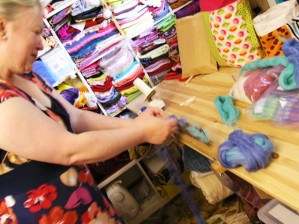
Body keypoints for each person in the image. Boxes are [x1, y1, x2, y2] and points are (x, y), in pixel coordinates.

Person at [0, 0, 178, 223]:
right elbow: (70, 149)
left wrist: (137, 124)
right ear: (2, 27)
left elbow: (77, 117)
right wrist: (142, 133)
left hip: (84, 206)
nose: (42, 44)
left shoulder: (25, 77)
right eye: (35, 32)